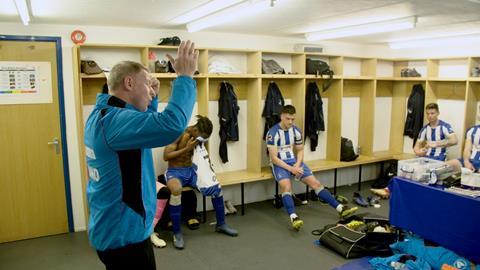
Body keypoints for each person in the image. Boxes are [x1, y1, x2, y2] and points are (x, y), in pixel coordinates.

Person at [84, 41, 198, 270]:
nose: (150, 89)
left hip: (118, 230)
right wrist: (185, 77)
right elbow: (171, 125)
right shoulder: (114, 122)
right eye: (146, 84)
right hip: (124, 237)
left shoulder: (105, 115)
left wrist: (151, 98)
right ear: (128, 82)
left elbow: (143, 128)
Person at [266, 105, 358, 230]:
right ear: (281, 116)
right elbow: (274, 158)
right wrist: (292, 169)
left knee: (315, 183)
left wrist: (297, 165)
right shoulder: (272, 133)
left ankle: (340, 208)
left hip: (294, 162)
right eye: (288, 119)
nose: (290, 122)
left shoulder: (296, 131)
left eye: (293, 119)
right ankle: (294, 217)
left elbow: (300, 150)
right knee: (286, 187)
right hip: (280, 164)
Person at [164, 115, 238, 250]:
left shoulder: (201, 138)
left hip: (192, 171)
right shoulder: (178, 133)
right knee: (176, 189)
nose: (202, 140)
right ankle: (177, 233)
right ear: (196, 130)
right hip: (175, 172)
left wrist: (209, 170)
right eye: (202, 137)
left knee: (217, 187)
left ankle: (221, 224)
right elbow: (166, 156)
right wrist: (187, 148)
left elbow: (204, 155)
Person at [371, 102, 458, 198]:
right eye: (428, 113)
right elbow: (416, 147)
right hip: (426, 159)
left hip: (439, 160)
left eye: (432, 113)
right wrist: (419, 152)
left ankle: (395, 192)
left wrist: (437, 143)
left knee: (420, 175)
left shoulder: (444, 126)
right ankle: (387, 190)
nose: (430, 116)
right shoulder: (425, 128)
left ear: (438, 113)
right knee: (405, 171)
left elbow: (454, 140)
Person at [446, 106, 480, 173]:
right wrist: (466, 162)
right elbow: (467, 149)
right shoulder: (472, 130)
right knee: (444, 166)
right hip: (471, 161)